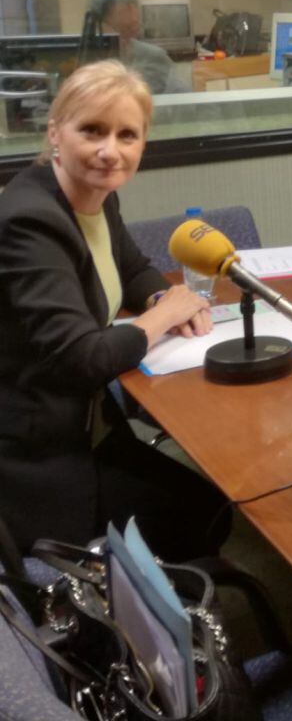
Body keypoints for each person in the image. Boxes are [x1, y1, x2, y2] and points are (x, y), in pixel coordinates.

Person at [0, 60, 230, 560]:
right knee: (204, 514)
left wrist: (154, 296)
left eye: (127, 135)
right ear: (56, 133)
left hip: (91, 426)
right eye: (93, 131)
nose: (110, 151)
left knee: (210, 505)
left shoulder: (94, 197)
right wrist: (165, 313)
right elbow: (81, 357)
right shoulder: (29, 220)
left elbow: (132, 268)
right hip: (38, 454)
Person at [87, 0, 189, 94]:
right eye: (124, 28)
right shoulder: (81, 59)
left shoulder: (153, 57)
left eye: (135, 27)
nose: (133, 35)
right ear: (98, 26)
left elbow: (184, 97)